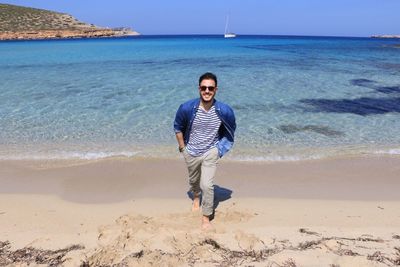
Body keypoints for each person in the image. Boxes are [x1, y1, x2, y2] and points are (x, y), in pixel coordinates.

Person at [173, 72, 236, 229]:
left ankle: (206, 216)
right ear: (199, 88)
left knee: (207, 185)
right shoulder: (187, 108)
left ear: (216, 90)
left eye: (210, 88)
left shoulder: (224, 110)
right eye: (204, 87)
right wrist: (183, 148)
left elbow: (231, 128)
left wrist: (219, 149)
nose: (207, 91)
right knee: (194, 181)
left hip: (211, 151)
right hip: (191, 151)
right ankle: (196, 196)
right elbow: (177, 128)